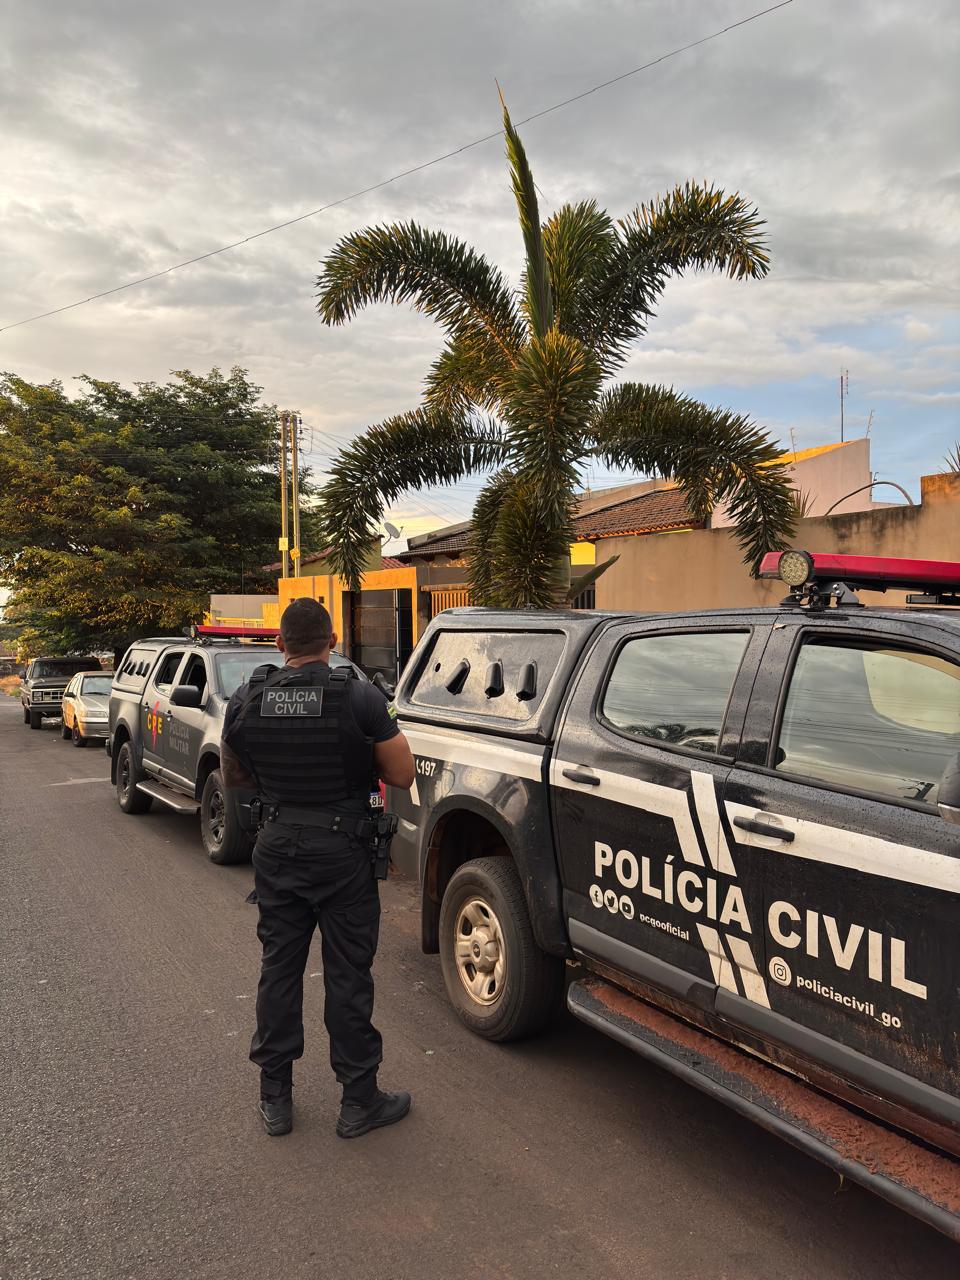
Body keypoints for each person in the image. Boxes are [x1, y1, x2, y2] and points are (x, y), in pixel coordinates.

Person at [220, 598, 415, 1139]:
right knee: (348, 976)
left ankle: (275, 1098)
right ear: (332, 642)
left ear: (280, 644)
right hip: (343, 851)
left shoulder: (249, 696)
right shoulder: (359, 695)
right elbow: (402, 774)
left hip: (277, 844)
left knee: (279, 969)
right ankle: (358, 1101)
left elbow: (233, 774)